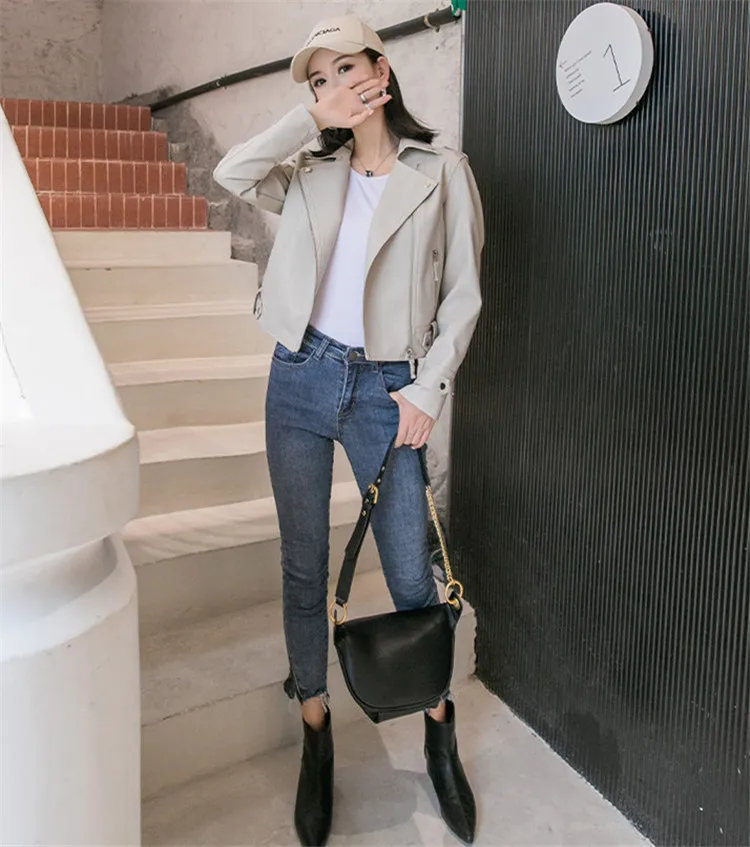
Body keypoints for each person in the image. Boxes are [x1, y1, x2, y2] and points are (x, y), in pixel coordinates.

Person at [213, 14, 484, 846]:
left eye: (343, 71)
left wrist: (427, 389)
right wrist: (309, 120)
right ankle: (316, 730)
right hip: (299, 376)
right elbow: (231, 171)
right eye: (318, 79)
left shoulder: (442, 171)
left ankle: (438, 726)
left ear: (381, 72)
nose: (332, 87)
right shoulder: (308, 173)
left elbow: (463, 296)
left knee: (409, 571)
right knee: (304, 566)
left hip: (387, 391)